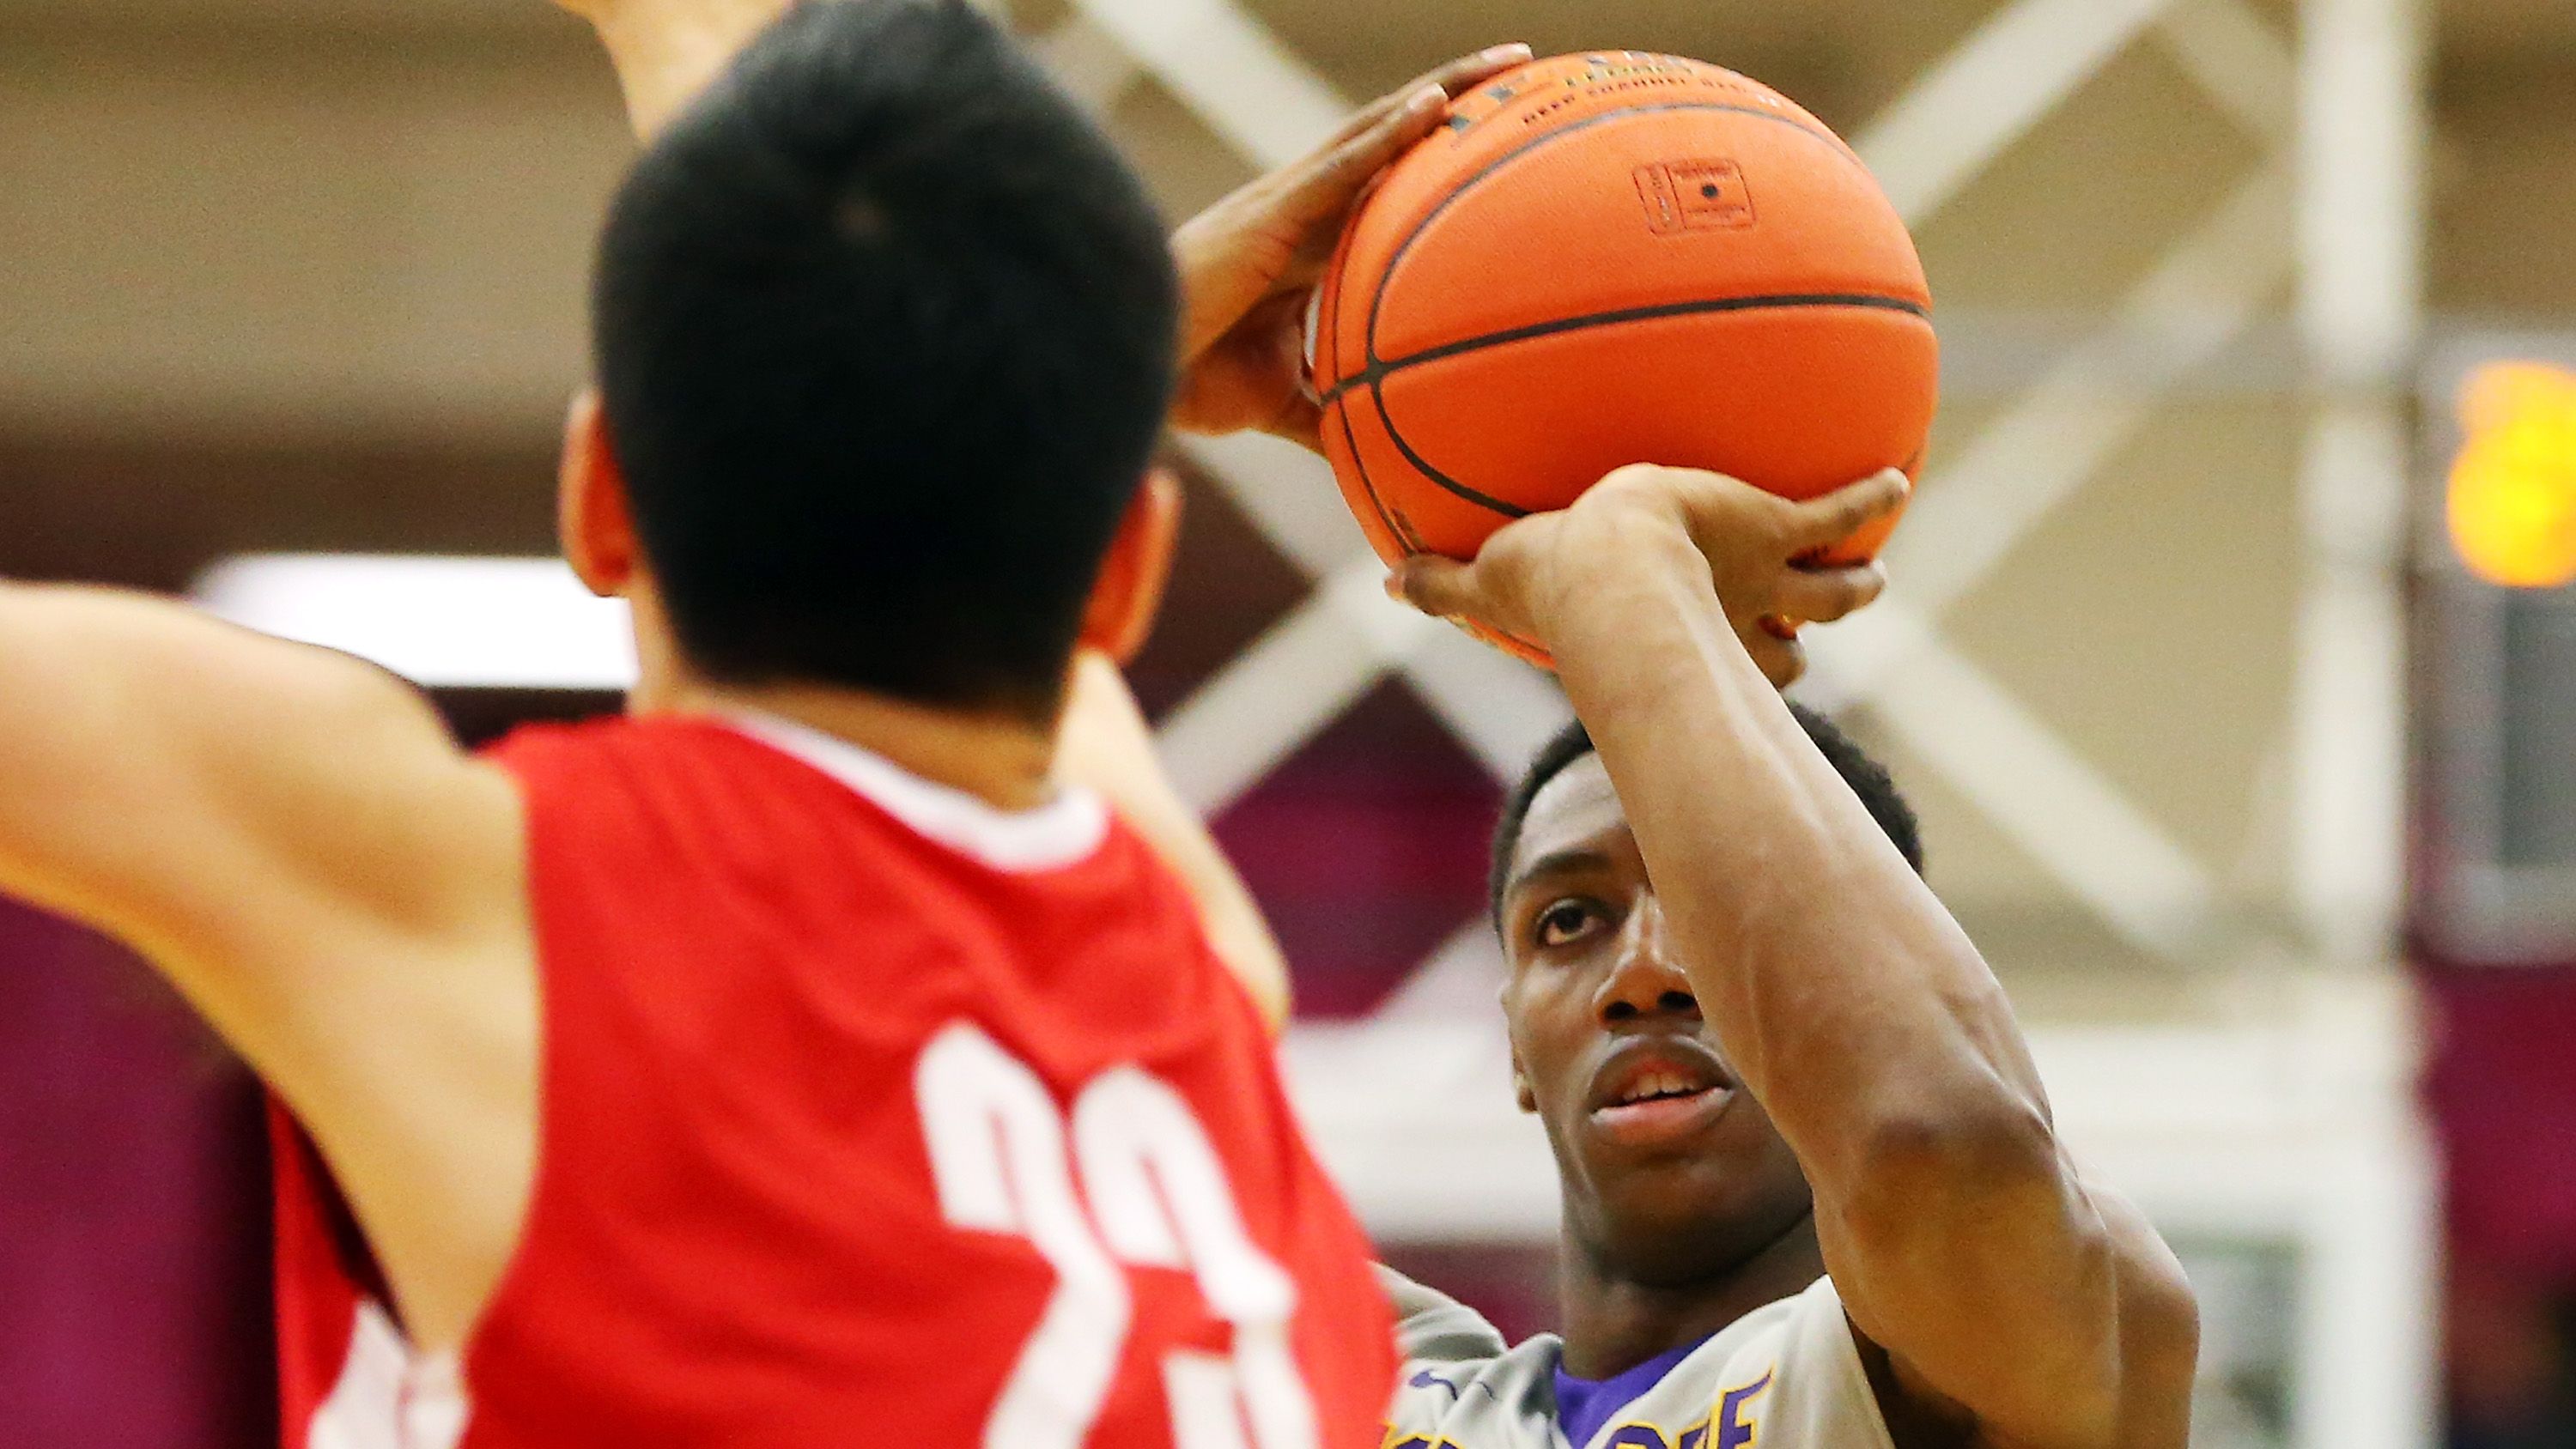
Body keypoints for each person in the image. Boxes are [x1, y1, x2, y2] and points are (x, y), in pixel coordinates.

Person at [0, 3, 1527, 1443]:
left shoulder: (480, 902)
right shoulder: (1199, 990)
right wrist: (1051, 365)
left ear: (597, 504)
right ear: (1125, 574)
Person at [1364, 467, 2202, 1449]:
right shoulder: (1353, 1374)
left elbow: (1934, 1139)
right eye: (1568, 919)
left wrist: (1623, 573)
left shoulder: (2033, 1329)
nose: (1644, 972)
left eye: (1711, 915)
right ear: (1511, 1038)